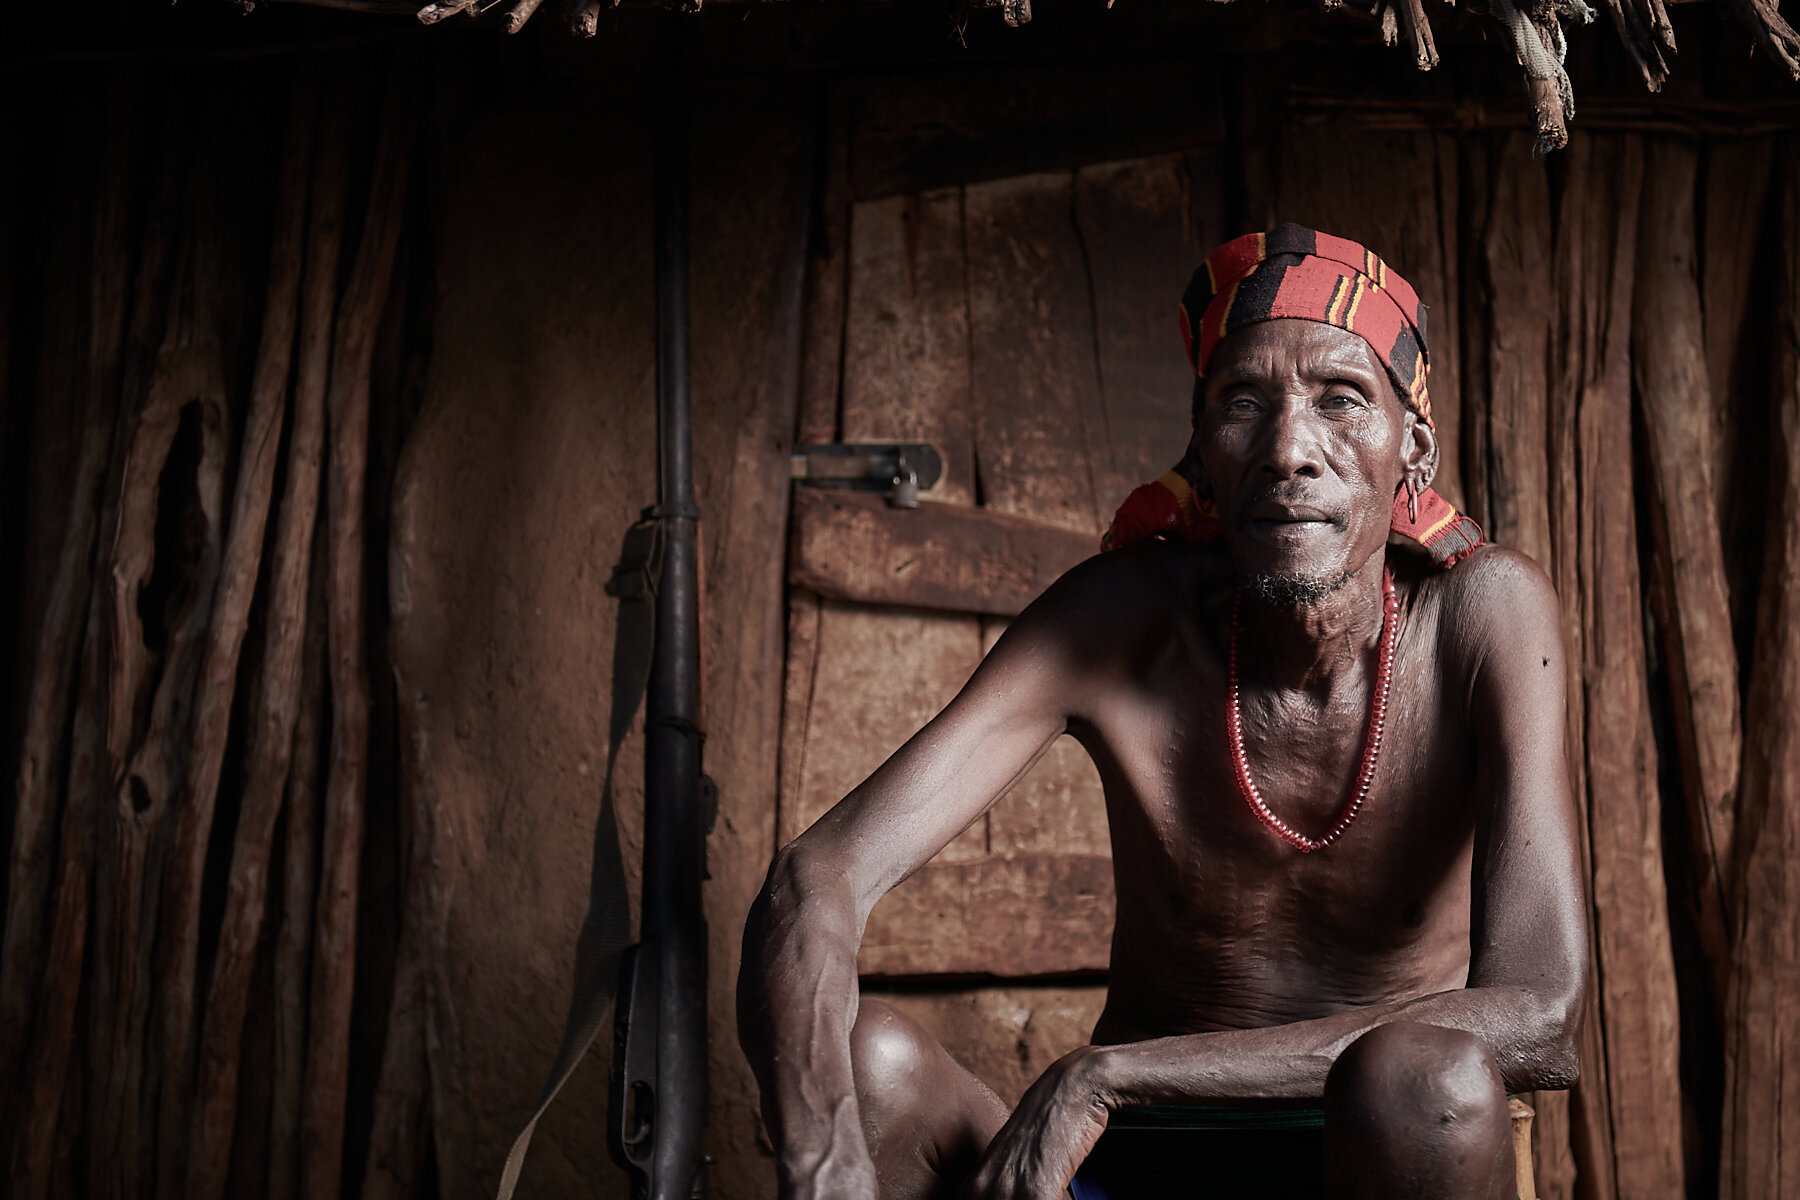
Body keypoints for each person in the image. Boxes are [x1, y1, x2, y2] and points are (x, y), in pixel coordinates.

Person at [737, 225, 1587, 1200]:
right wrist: (823, 1155)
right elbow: (817, 877)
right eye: (1243, 404)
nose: (1289, 450)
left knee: (1428, 1074)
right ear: (1204, 454)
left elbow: (1542, 1014)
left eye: (1343, 399)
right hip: (1136, 1168)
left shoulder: (1481, 615)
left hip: (1369, 1156)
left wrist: (1112, 1075)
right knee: (868, 1062)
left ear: (1413, 451)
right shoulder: (1121, 617)